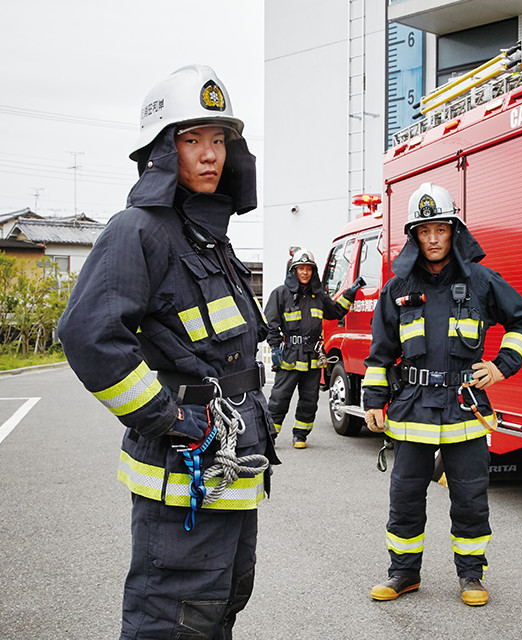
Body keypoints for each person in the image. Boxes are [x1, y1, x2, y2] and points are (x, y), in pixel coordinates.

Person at [58, 64, 280, 640]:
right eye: (191, 140)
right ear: (162, 150)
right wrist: (172, 417)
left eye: (219, 140)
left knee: (220, 606)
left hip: (227, 474)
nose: (209, 155)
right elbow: (89, 335)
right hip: (183, 476)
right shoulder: (140, 230)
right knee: (173, 622)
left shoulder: (209, 236)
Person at [362, 183, 522, 607]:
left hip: (464, 409)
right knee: (404, 498)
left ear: (453, 230)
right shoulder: (397, 287)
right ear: (414, 236)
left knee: (470, 498)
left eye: (440, 229)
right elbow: (381, 351)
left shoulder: (481, 281)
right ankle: (403, 574)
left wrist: (500, 367)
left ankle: (471, 576)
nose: (433, 239)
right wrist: (372, 400)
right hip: (412, 411)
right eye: (424, 232)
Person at [264, 248, 363, 448]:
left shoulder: (319, 296)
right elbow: (270, 323)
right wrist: (275, 349)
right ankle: (269, 436)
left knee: (309, 399)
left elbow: (336, 311)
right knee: (279, 398)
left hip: (313, 356)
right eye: (301, 268)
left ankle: (300, 435)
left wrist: (350, 293)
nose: (305, 272)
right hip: (289, 355)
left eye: (308, 269)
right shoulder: (280, 294)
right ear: (293, 271)